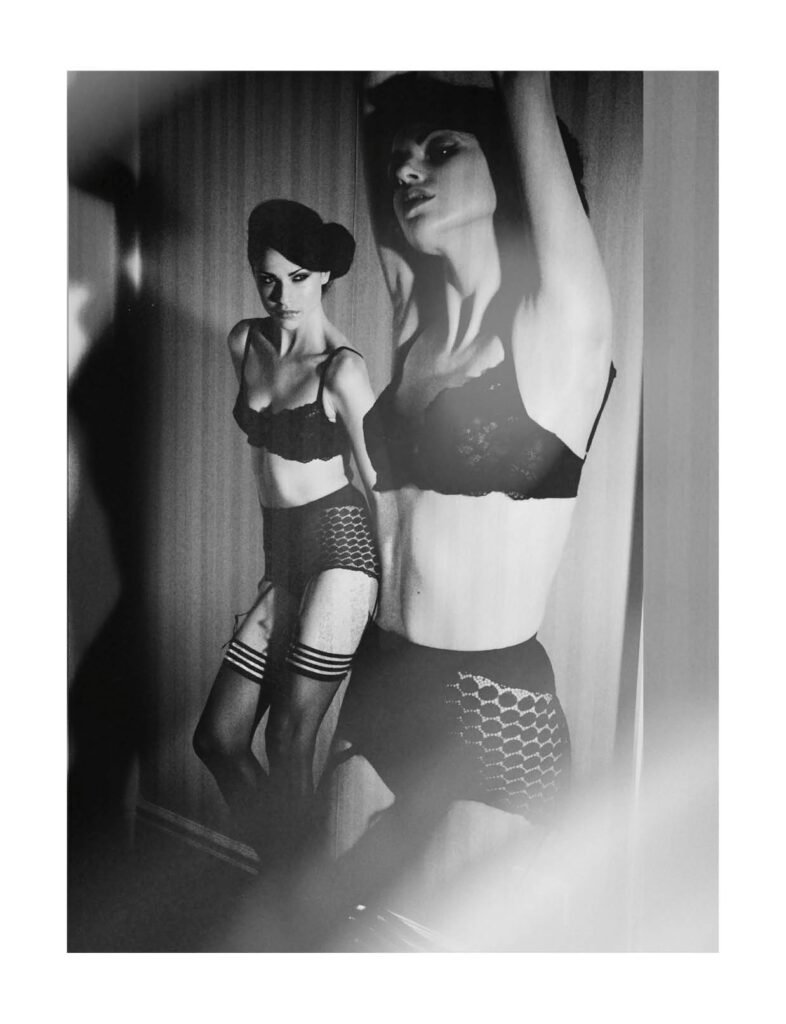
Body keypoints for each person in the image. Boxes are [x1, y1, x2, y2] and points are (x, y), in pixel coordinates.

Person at [324, 72, 616, 938]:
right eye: (402, 156)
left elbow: (524, 79)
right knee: (334, 935)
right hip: (381, 676)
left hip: (488, 711)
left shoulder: (560, 332)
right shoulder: (418, 324)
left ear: (513, 175)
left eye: (442, 148)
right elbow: (371, 98)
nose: (407, 169)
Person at [193, 199, 380, 861]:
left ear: (324, 273)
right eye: (267, 278)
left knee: (288, 740)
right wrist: (274, 577)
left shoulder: (343, 369)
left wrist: (394, 606)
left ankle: (294, 903)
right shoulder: (245, 342)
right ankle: (291, 877)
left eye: (298, 277)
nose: (282, 295)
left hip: (343, 551)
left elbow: (379, 488)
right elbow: (266, 476)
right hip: (285, 557)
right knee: (218, 739)